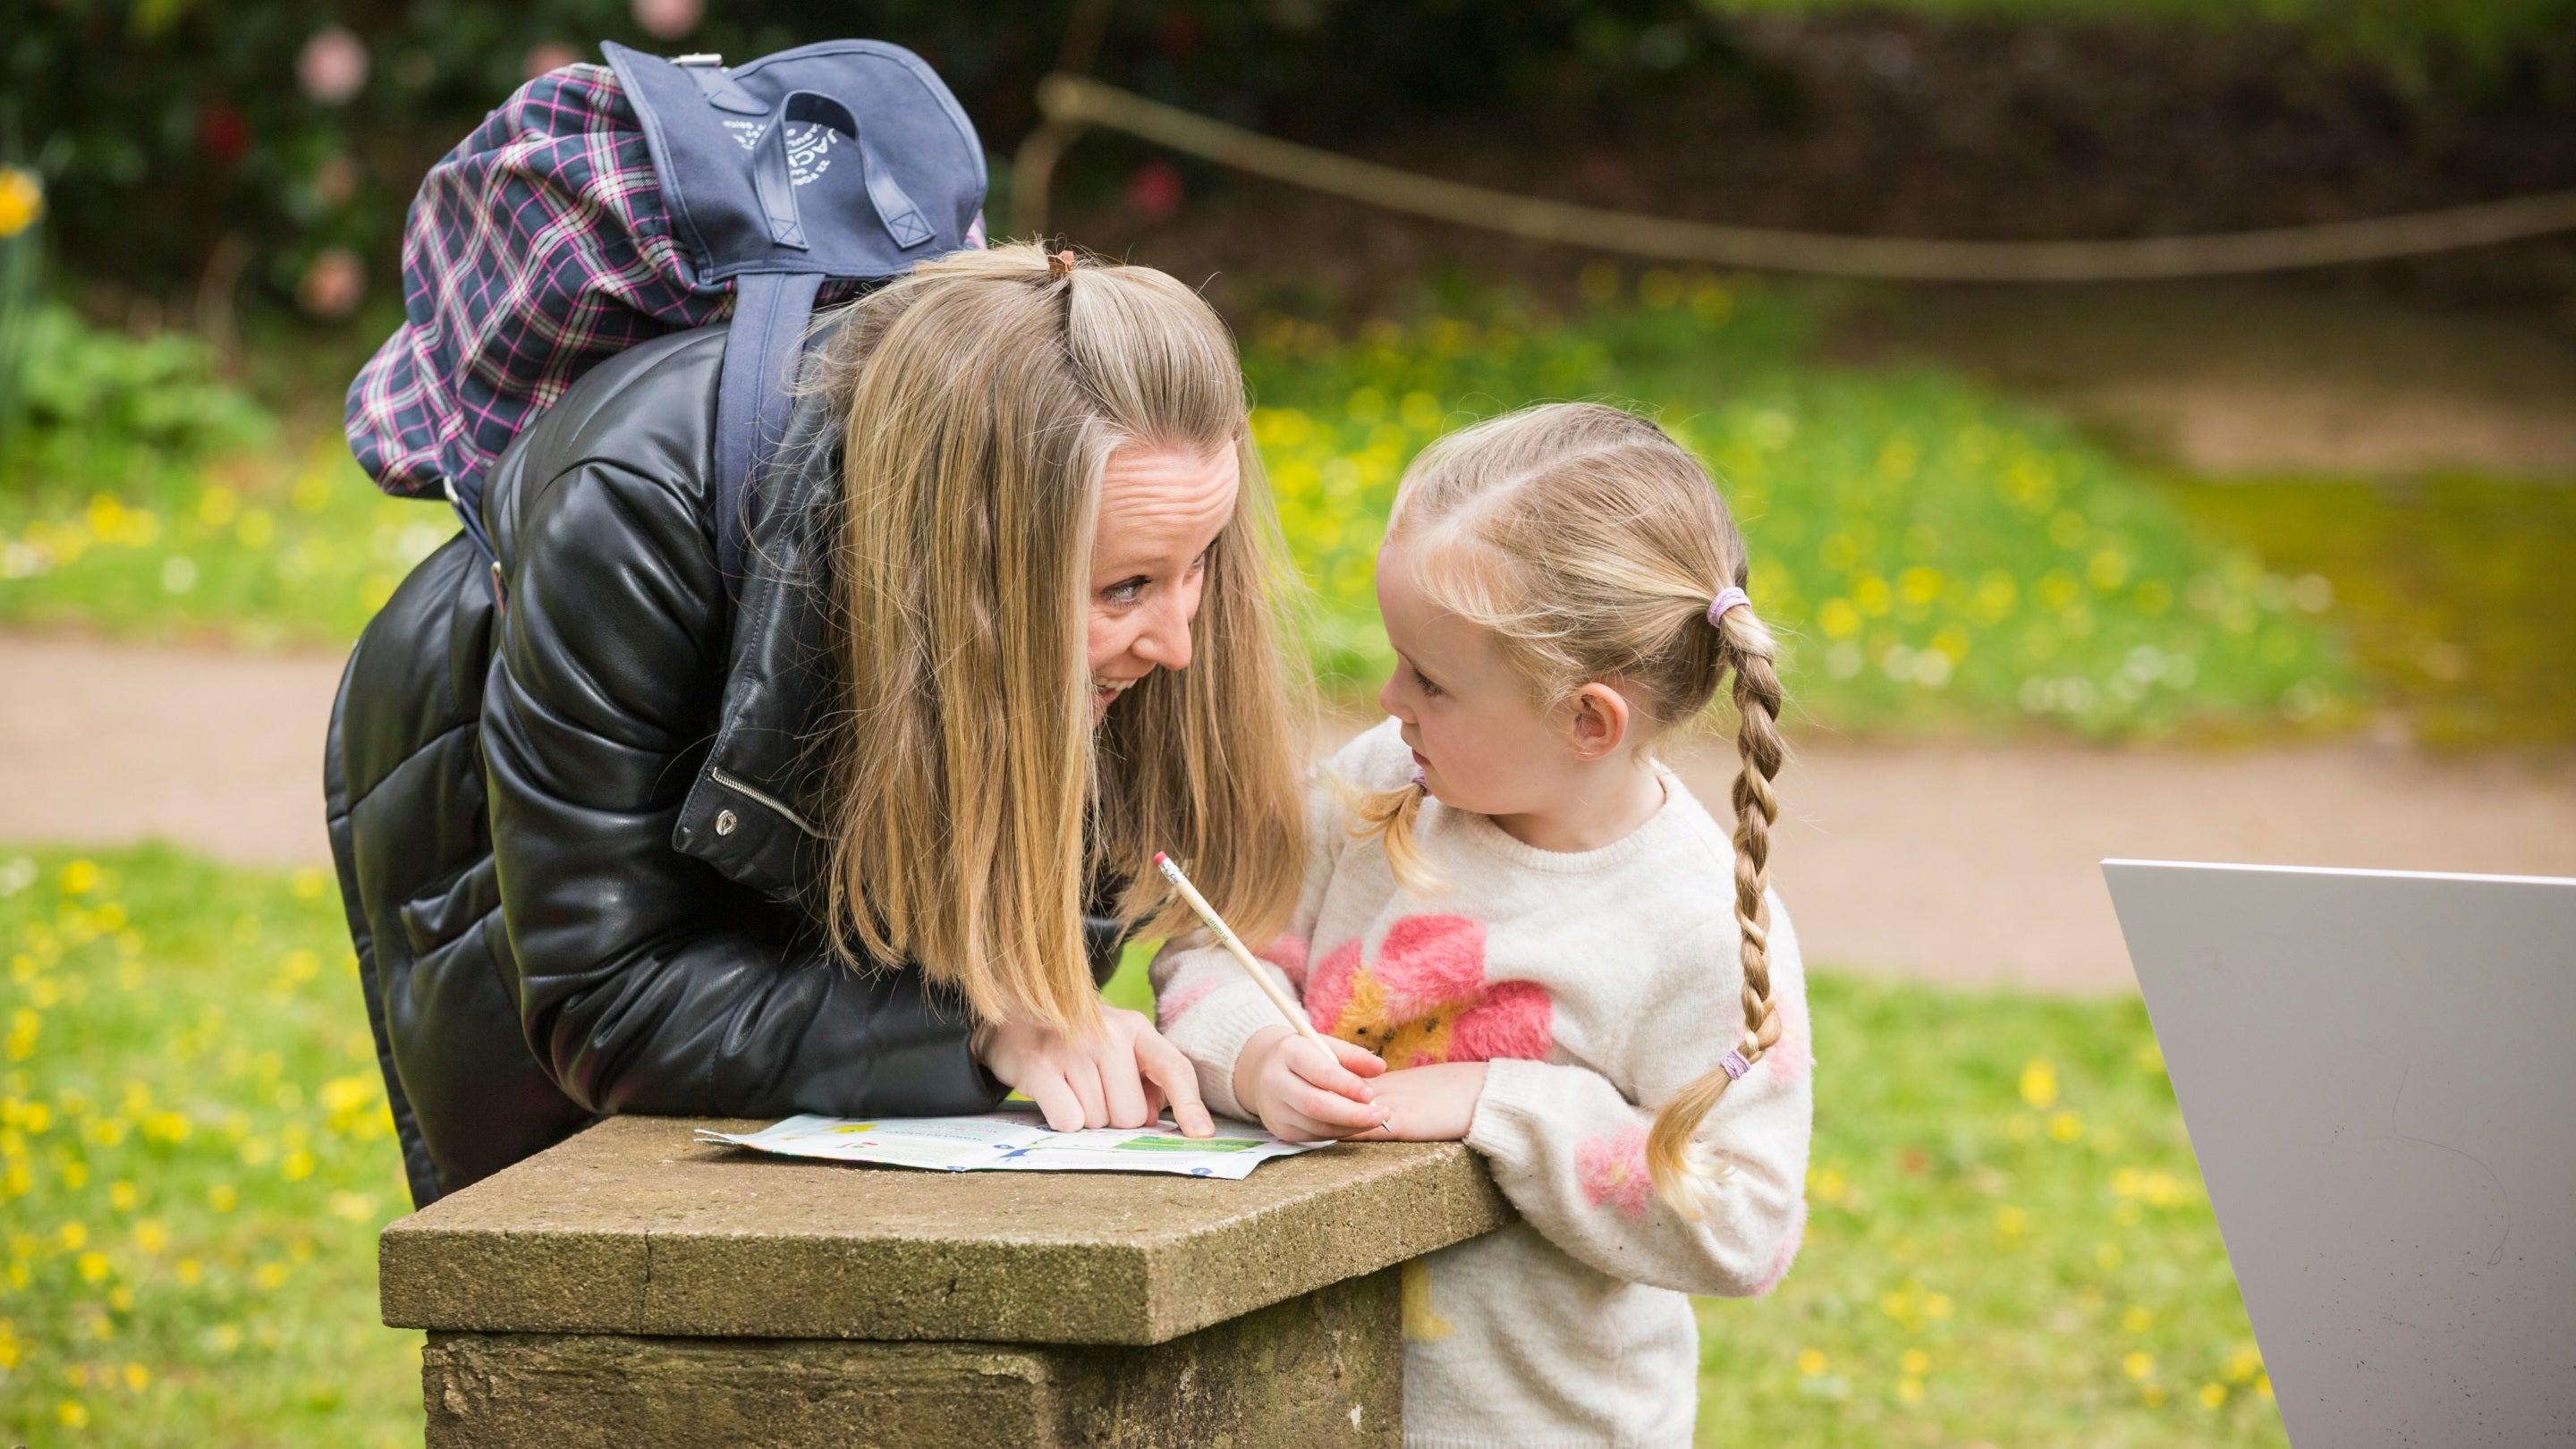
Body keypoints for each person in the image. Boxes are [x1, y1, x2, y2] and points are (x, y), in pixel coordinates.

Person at [331, 244, 1318, 1203]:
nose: (1179, 645)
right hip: (484, 780)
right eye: (1126, 588)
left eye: (1199, 568)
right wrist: (976, 1030)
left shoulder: (1121, 554)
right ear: (970, 564)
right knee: (556, 1265)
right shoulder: (625, 518)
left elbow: (1058, 921)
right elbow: (607, 1006)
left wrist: (1015, 1010)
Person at [1151, 402, 1813, 1447]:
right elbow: (1204, 950)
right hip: (1297, 1406)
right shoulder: (1380, 784)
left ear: (1588, 721)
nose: (1389, 697)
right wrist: (1256, 1052)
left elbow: (1744, 1224)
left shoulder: (1703, 930)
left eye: (1433, 680)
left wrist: (1502, 1105)